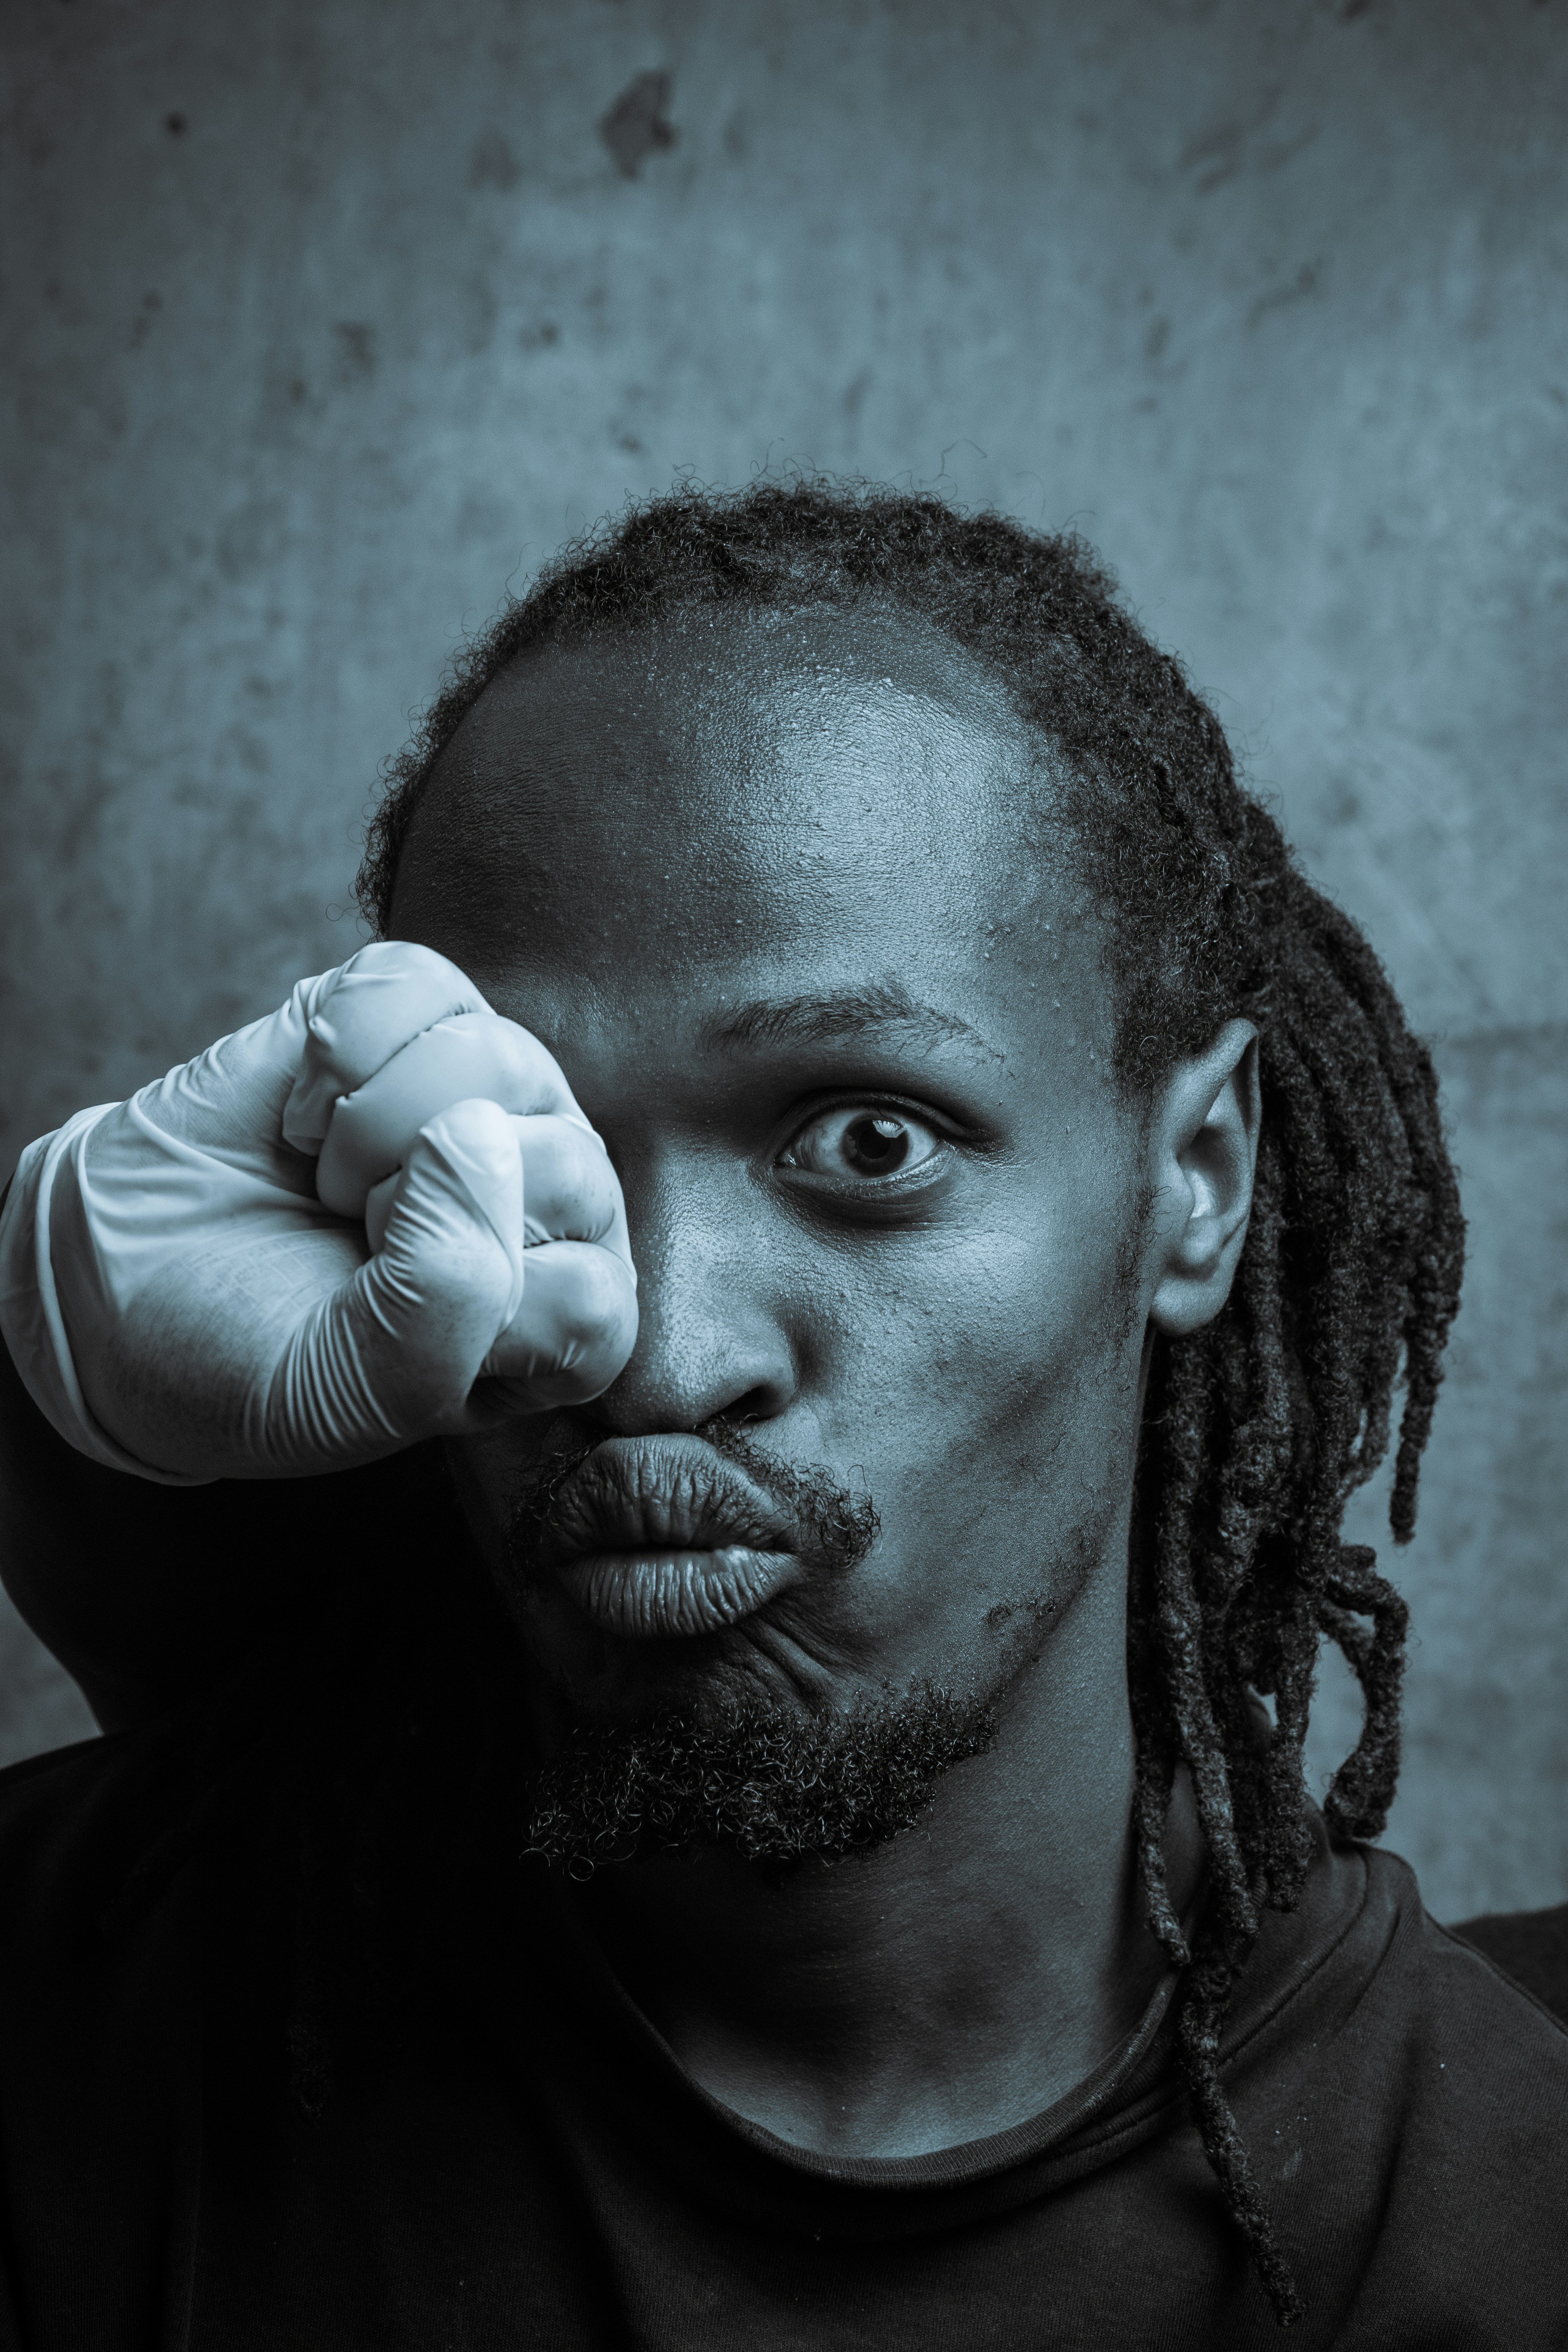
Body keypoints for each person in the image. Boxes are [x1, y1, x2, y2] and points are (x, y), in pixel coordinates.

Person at [0, 481, 1562, 2352]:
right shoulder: (75, 2043)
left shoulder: (1490, 2228)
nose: (650, 1356)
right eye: (528, 1148)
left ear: (1194, 1180)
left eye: (868, 1142)